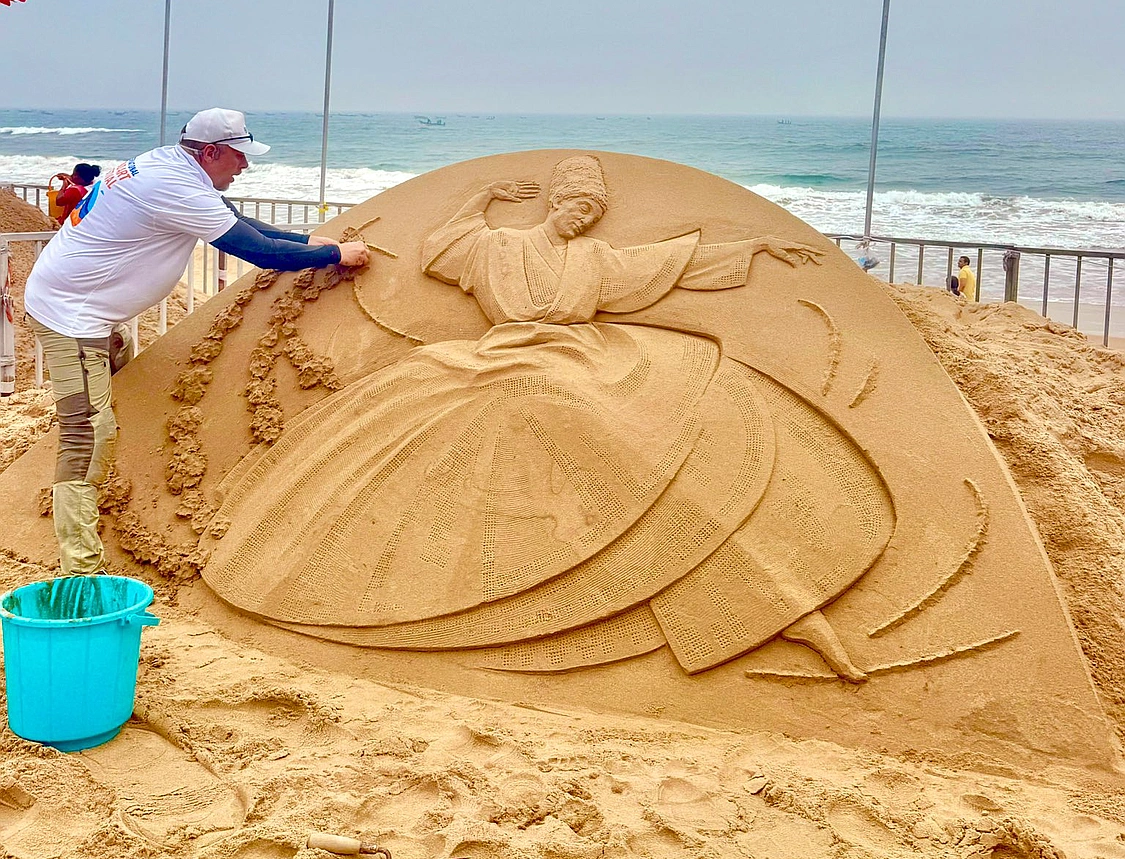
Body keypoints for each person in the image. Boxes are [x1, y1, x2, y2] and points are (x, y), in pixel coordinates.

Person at [205, 155, 894, 682]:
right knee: (473, 417)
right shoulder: (497, 247)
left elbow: (669, 262)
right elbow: (445, 245)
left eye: (593, 209)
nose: (583, 217)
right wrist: (483, 198)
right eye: (573, 205)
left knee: (653, 427)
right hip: (499, 360)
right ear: (555, 203)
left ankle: (763, 596)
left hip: (580, 357)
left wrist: (758, 249)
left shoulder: (595, 258)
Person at [23, 108, 369, 577]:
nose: (245, 166)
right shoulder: (173, 186)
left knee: (113, 383)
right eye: (239, 156)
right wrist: (333, 255)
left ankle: (96, 422)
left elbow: (239, 222)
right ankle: (80, 566)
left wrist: (307, 239)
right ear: (210, 152)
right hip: (72, 318)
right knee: (88, 432)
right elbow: (255, 250)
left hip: (92, 311)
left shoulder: (170, 164)